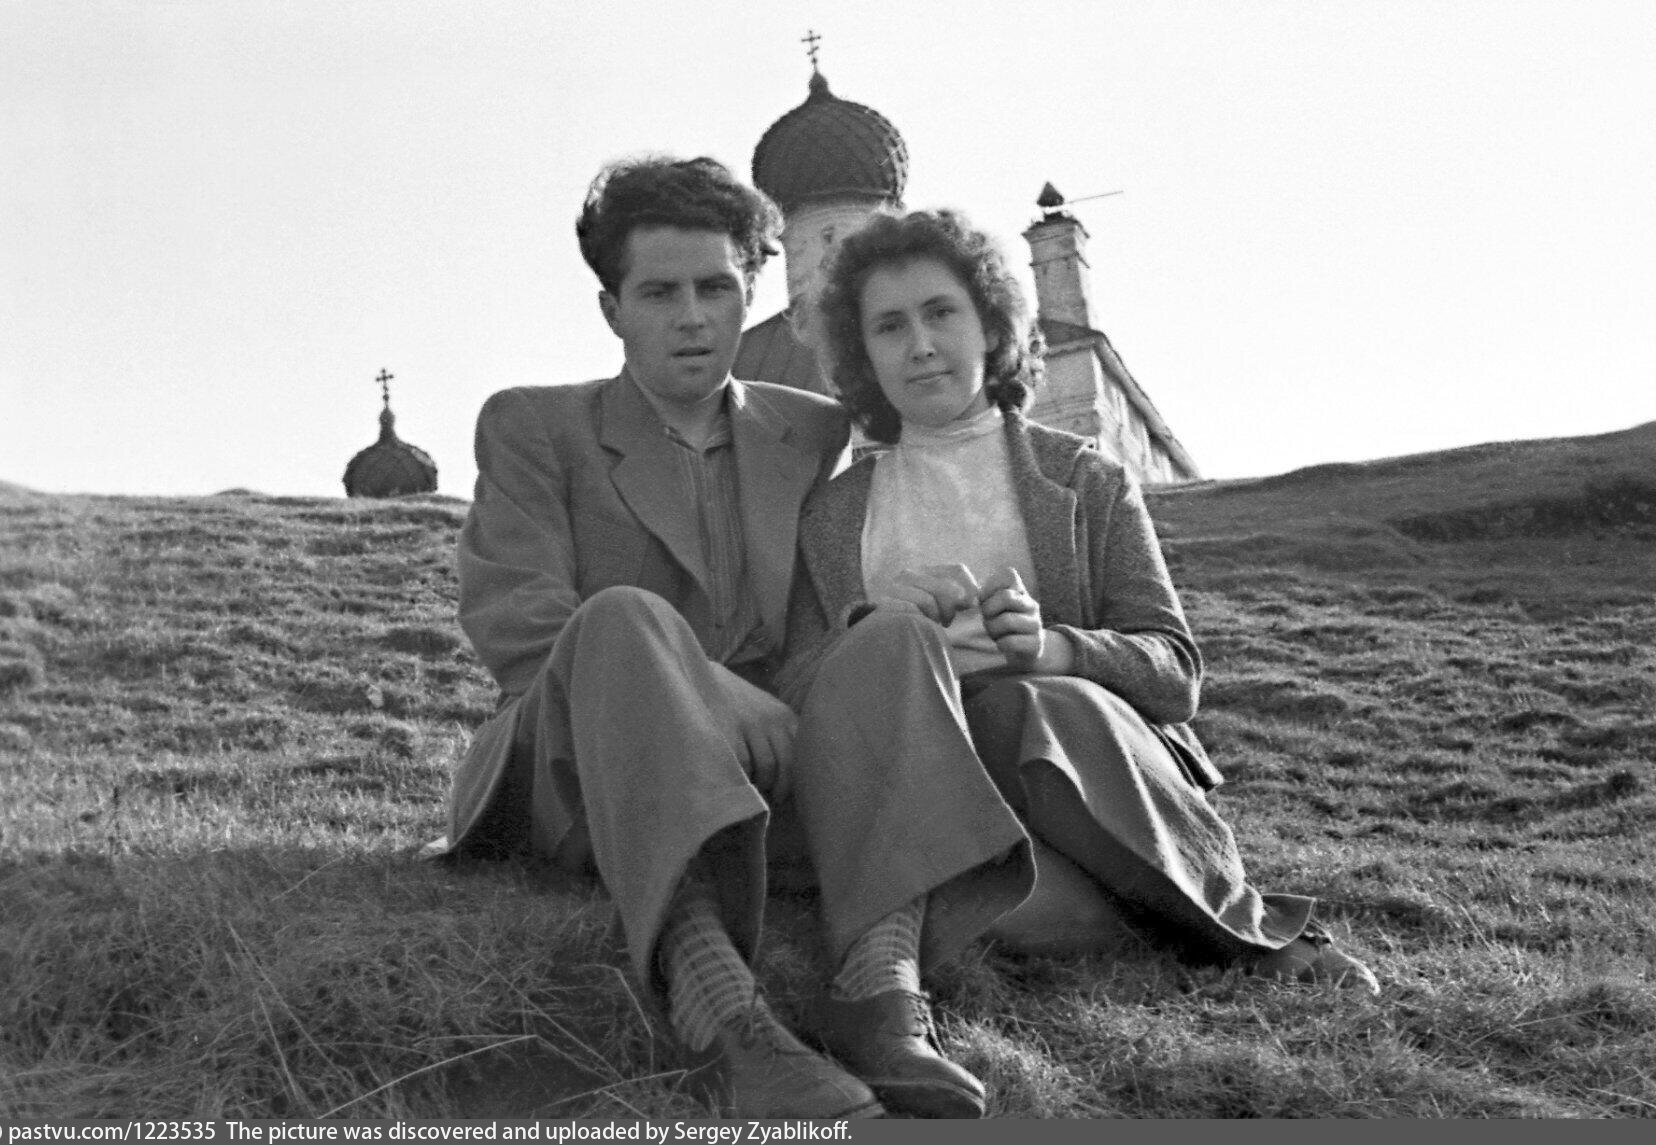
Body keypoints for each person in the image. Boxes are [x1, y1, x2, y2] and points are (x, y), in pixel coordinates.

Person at [439, 158, 1005, 1121]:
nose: (694, 318)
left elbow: (819, 620)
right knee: (622, 613)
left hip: (763, 763)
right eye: (660, 293)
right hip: (580, 759)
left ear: (751, 292)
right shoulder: (534, 423)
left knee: (895, 635)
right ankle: (727, 1022)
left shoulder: (814, 431)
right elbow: (522, 630)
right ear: (612, 309)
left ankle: (878, 988)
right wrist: (701, 681)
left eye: (717, 288)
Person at [774, 208, 1379, 1088]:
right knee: (989, 860)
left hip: (1077, 766)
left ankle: (1238, 924)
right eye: (889, 326)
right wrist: (868, 628)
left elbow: (1175, 672)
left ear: (991, 325)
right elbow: (796, 686)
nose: (921, 345)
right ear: (862, 353)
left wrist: (1051, 647)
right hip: (933, 788)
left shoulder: (1086, 477)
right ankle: (1129, 919)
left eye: (941, 313)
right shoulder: (832, 516)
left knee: (1027, 705)